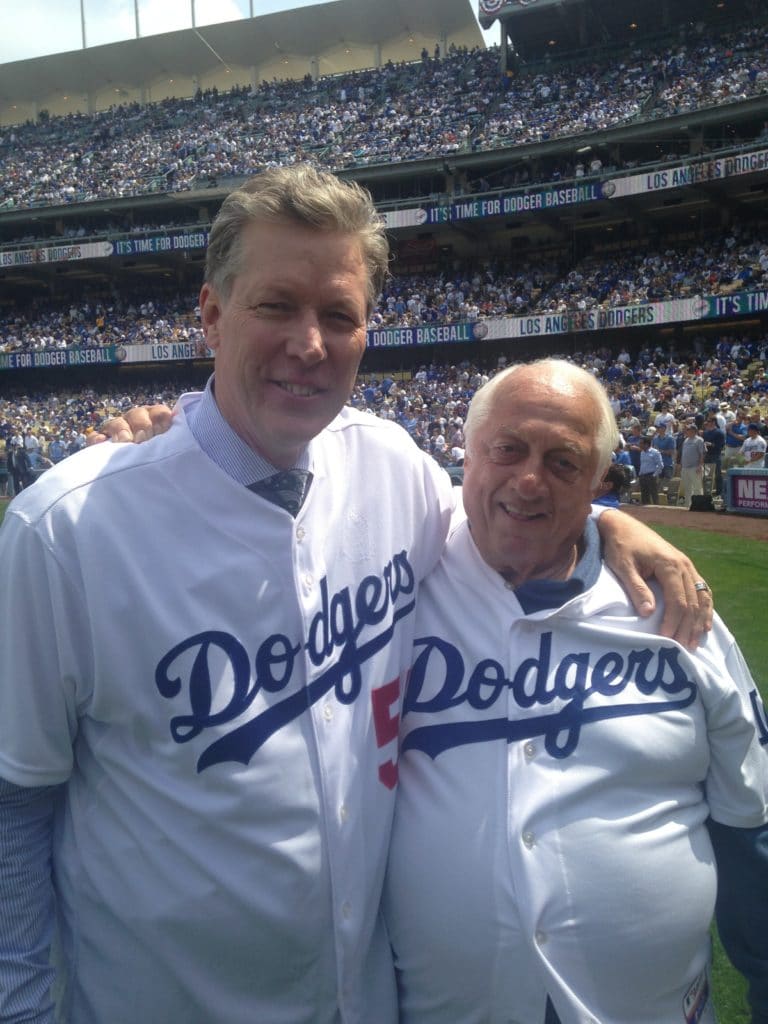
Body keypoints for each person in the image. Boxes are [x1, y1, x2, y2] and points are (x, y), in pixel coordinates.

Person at [0, 167, 711, 1024]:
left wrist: (604, 520)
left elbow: (506, 517)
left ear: (367, 333)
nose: (310, 342)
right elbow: (16, 802)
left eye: (338, 315)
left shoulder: (393, 468)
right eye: (276, 306)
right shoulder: (65, 531)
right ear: (213, 315)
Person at [384, 359, 768, 1024]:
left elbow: (751, 830)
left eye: (564, 462)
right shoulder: (393, 582)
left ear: (596, 482)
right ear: (464, 458)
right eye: (507, 449)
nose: (529, 479)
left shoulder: (676, 609)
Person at [679, 421, 705, 509]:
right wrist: (681, 465)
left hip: (695, 467)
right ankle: (688, 505)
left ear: (694, 430)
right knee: (687, 488)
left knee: (697, 487)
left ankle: (699, 505)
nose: (686, 431)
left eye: (688, 429)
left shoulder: (699, 440)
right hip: (685, 468)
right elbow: (684, 454)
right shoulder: (686, 440)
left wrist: (700, 466)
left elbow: (702, 454)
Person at [637, 434, 663, 504]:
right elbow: (642, 465)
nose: (639, 444)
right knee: (644, 496)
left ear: (646, 444)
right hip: (643, 476)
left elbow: (660, 465)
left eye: (641, 443)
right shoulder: (642, 452)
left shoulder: (655, 452)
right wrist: (640, 474)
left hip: (651, 476)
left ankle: (656, 511)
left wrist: (654, 475)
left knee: (654, 495)